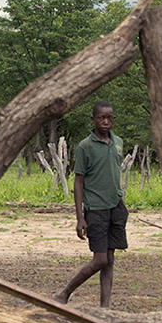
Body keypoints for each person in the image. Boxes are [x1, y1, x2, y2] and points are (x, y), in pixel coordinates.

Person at [55, 101, 127, 309]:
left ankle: (105, 308)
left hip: (116, 207)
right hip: (96, 209)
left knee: (110, 258)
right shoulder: (86, 146)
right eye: (101, 118)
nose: (105, 121)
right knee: (100, 259)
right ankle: (64, 293)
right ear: (93, 119)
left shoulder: (118, 142)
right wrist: (80, 217)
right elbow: (78, 181)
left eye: (109, 117)